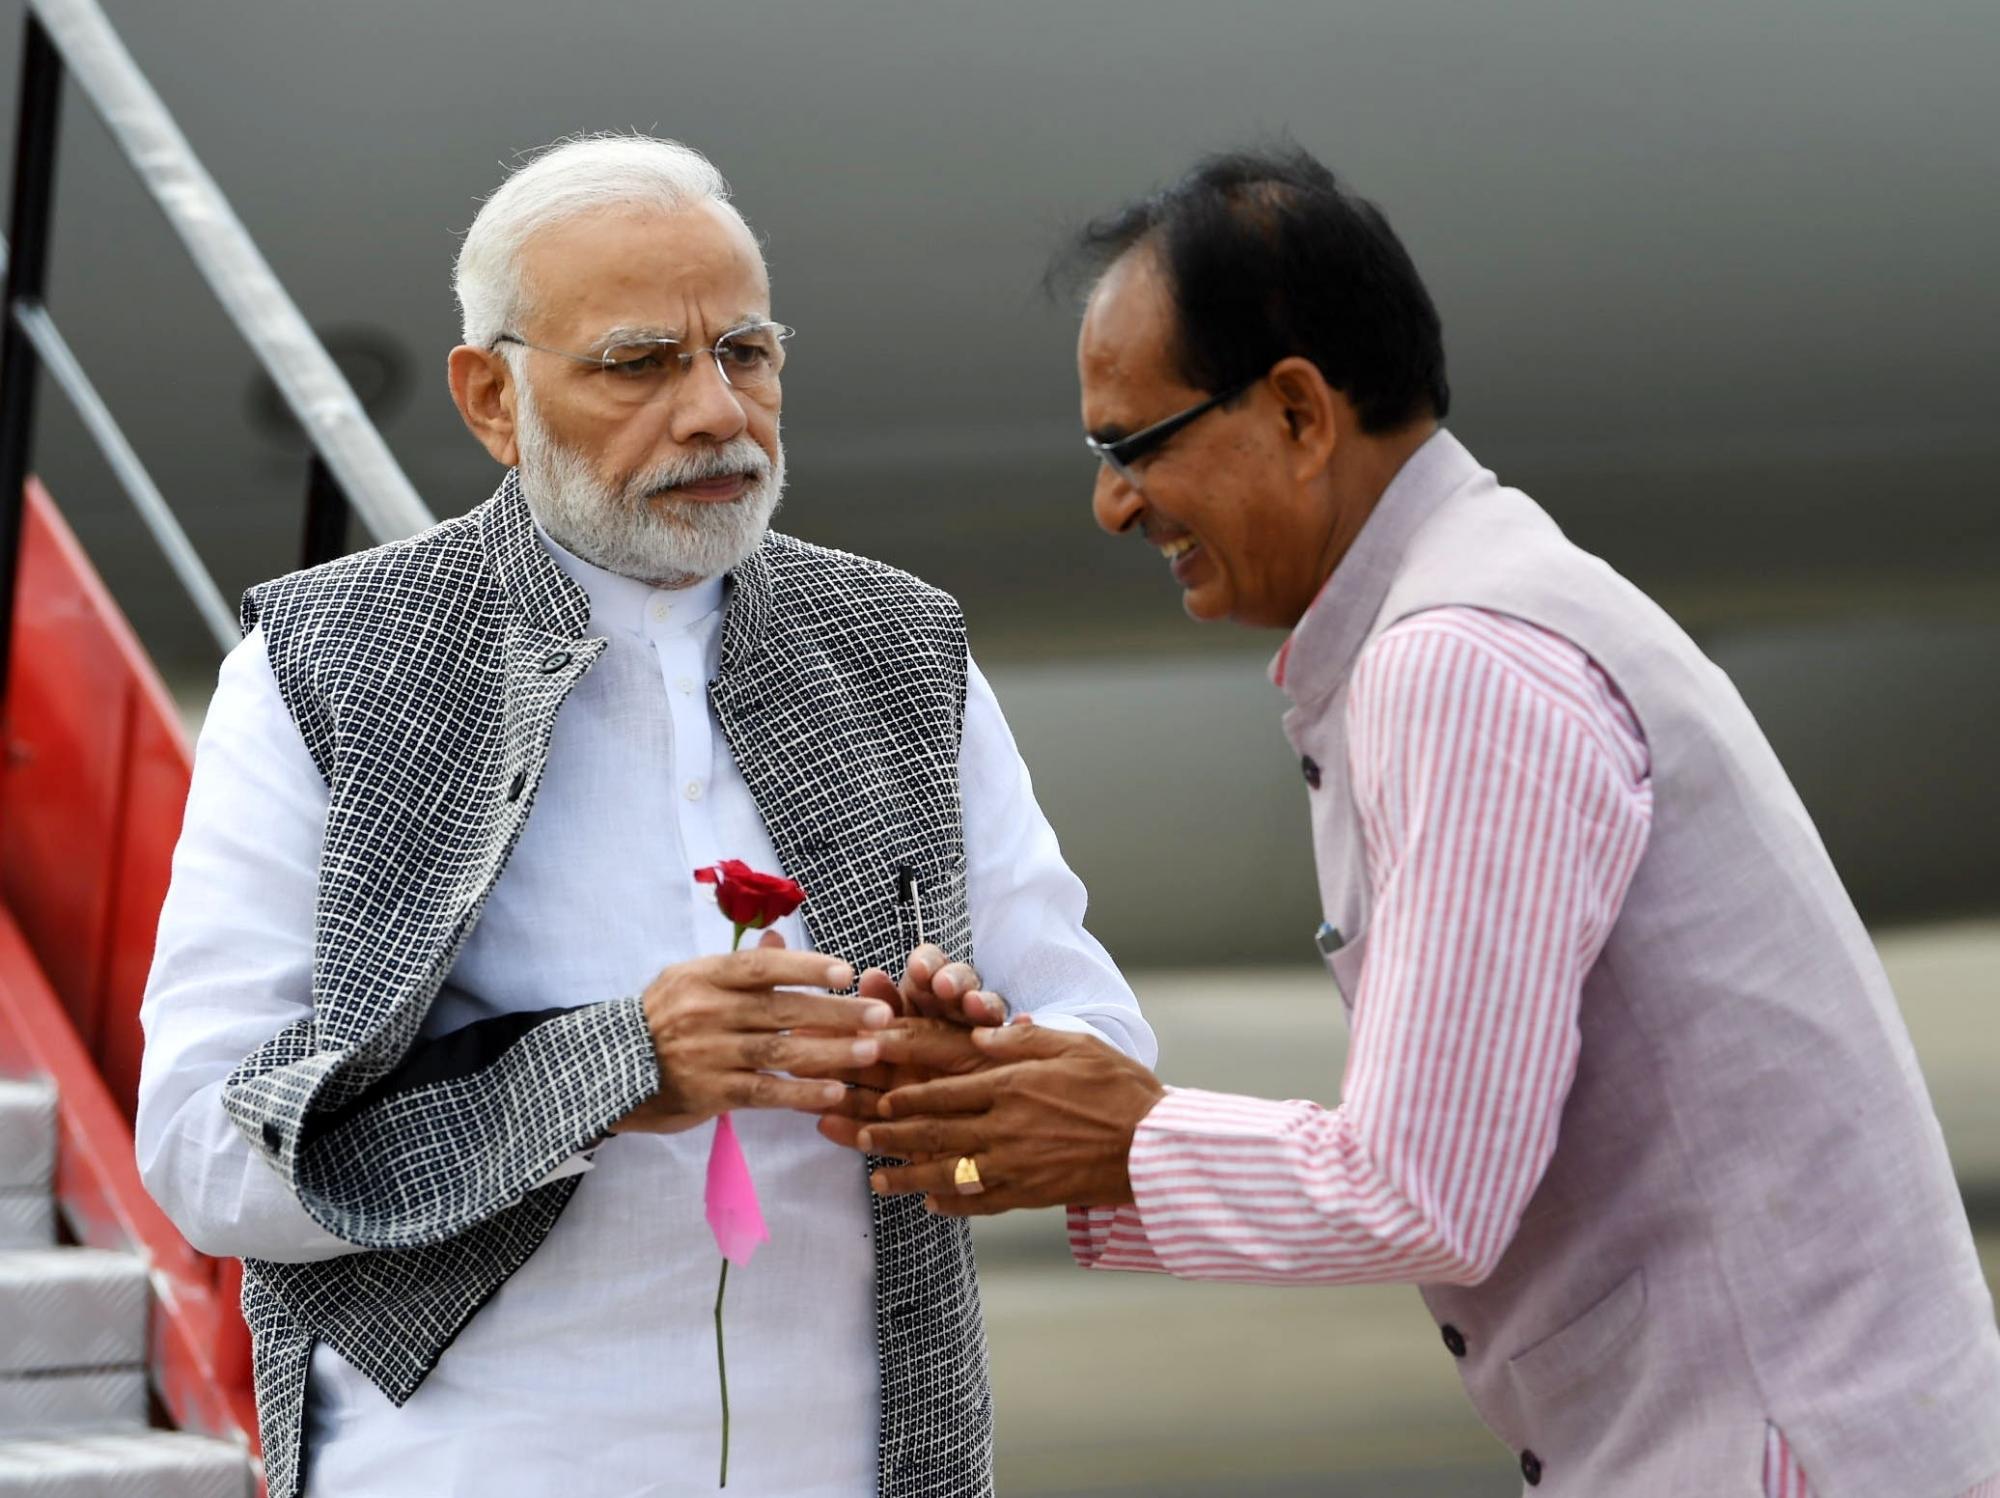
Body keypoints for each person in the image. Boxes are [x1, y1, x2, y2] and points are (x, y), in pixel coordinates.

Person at [833, 146, 2000, 1496]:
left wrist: (1118, 1136)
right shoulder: (1480, 601)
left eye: (1136, 445)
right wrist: (1044, 1126)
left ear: (1297, 411)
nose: (1113, 505)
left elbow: (1424, 1189)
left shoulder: (1459, 663)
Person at [134, 134, 1153, 1498]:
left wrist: (959, 1069)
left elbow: (1099, 1045)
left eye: (746, 352)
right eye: (640, 364)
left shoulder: (898, 647)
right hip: (466, 1464)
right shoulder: (329, 663)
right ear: (492, 398)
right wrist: (617, 1069)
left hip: (858, 1458)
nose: (717, 413)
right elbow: (204, 1148)